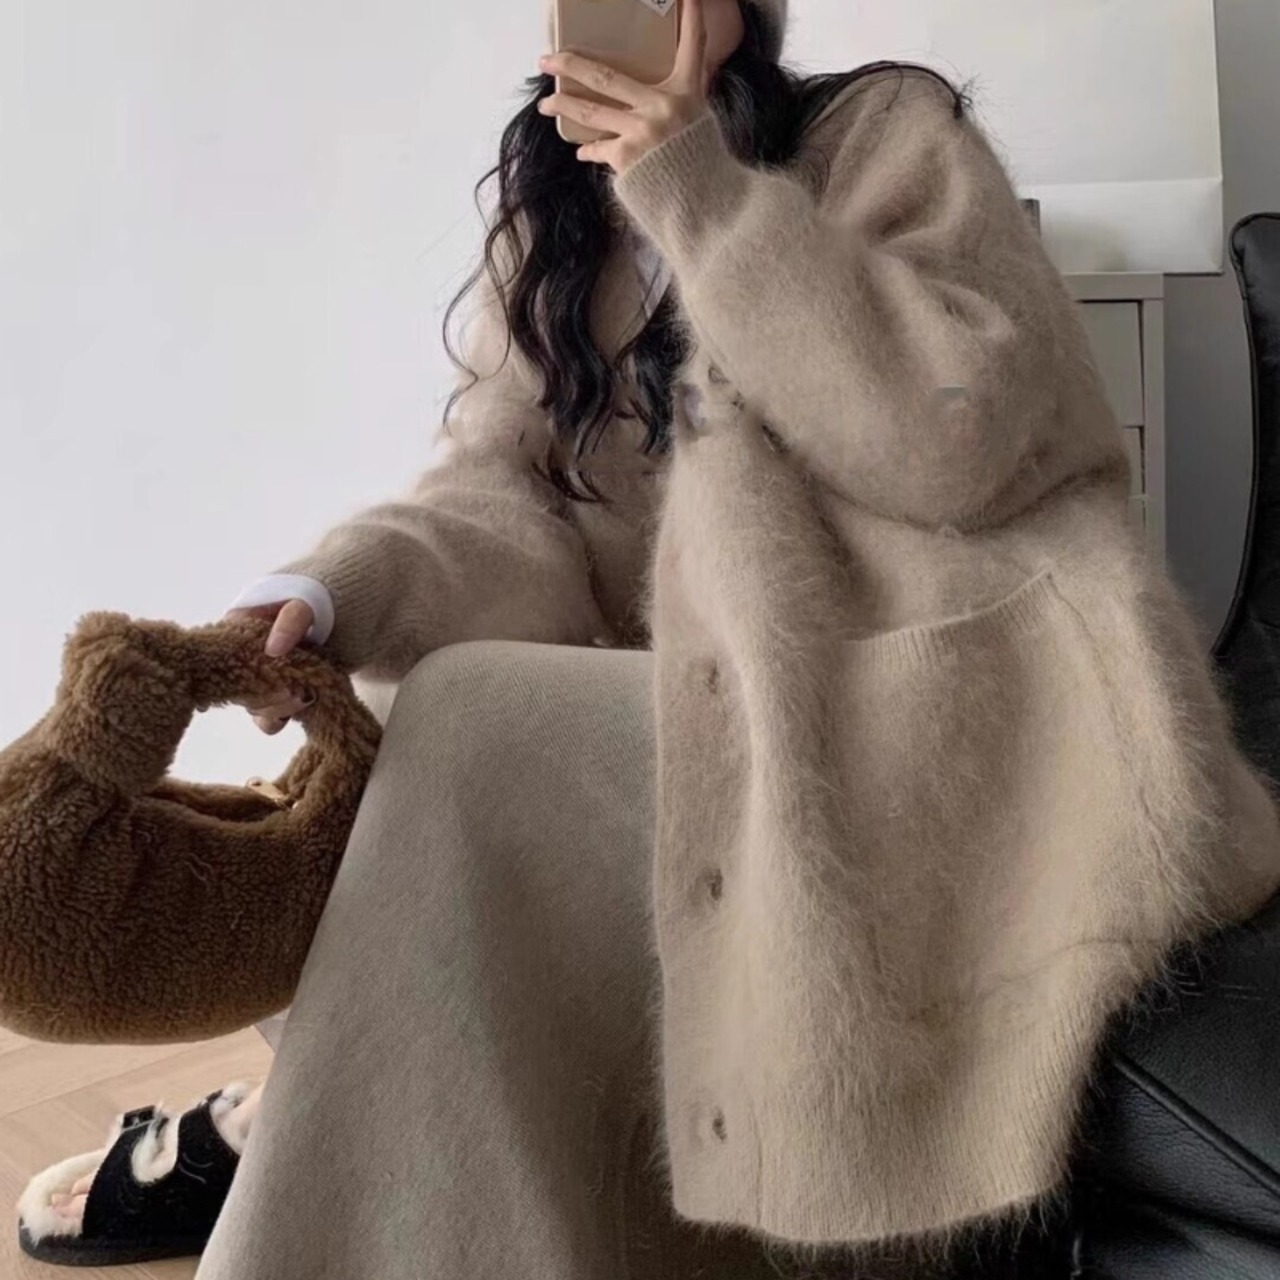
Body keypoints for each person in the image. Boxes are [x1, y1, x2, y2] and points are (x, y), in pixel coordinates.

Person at [17, 0, 1280, 1275]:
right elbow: (502, 492)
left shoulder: (887, 130)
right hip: (717, 692)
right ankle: (382, 1162)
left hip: (931, 696)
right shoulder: (554, 211)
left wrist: (698, 192)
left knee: (467, 725)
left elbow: (956, 438)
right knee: (402, 718)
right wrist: (329, 595)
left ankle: (290, 1152)